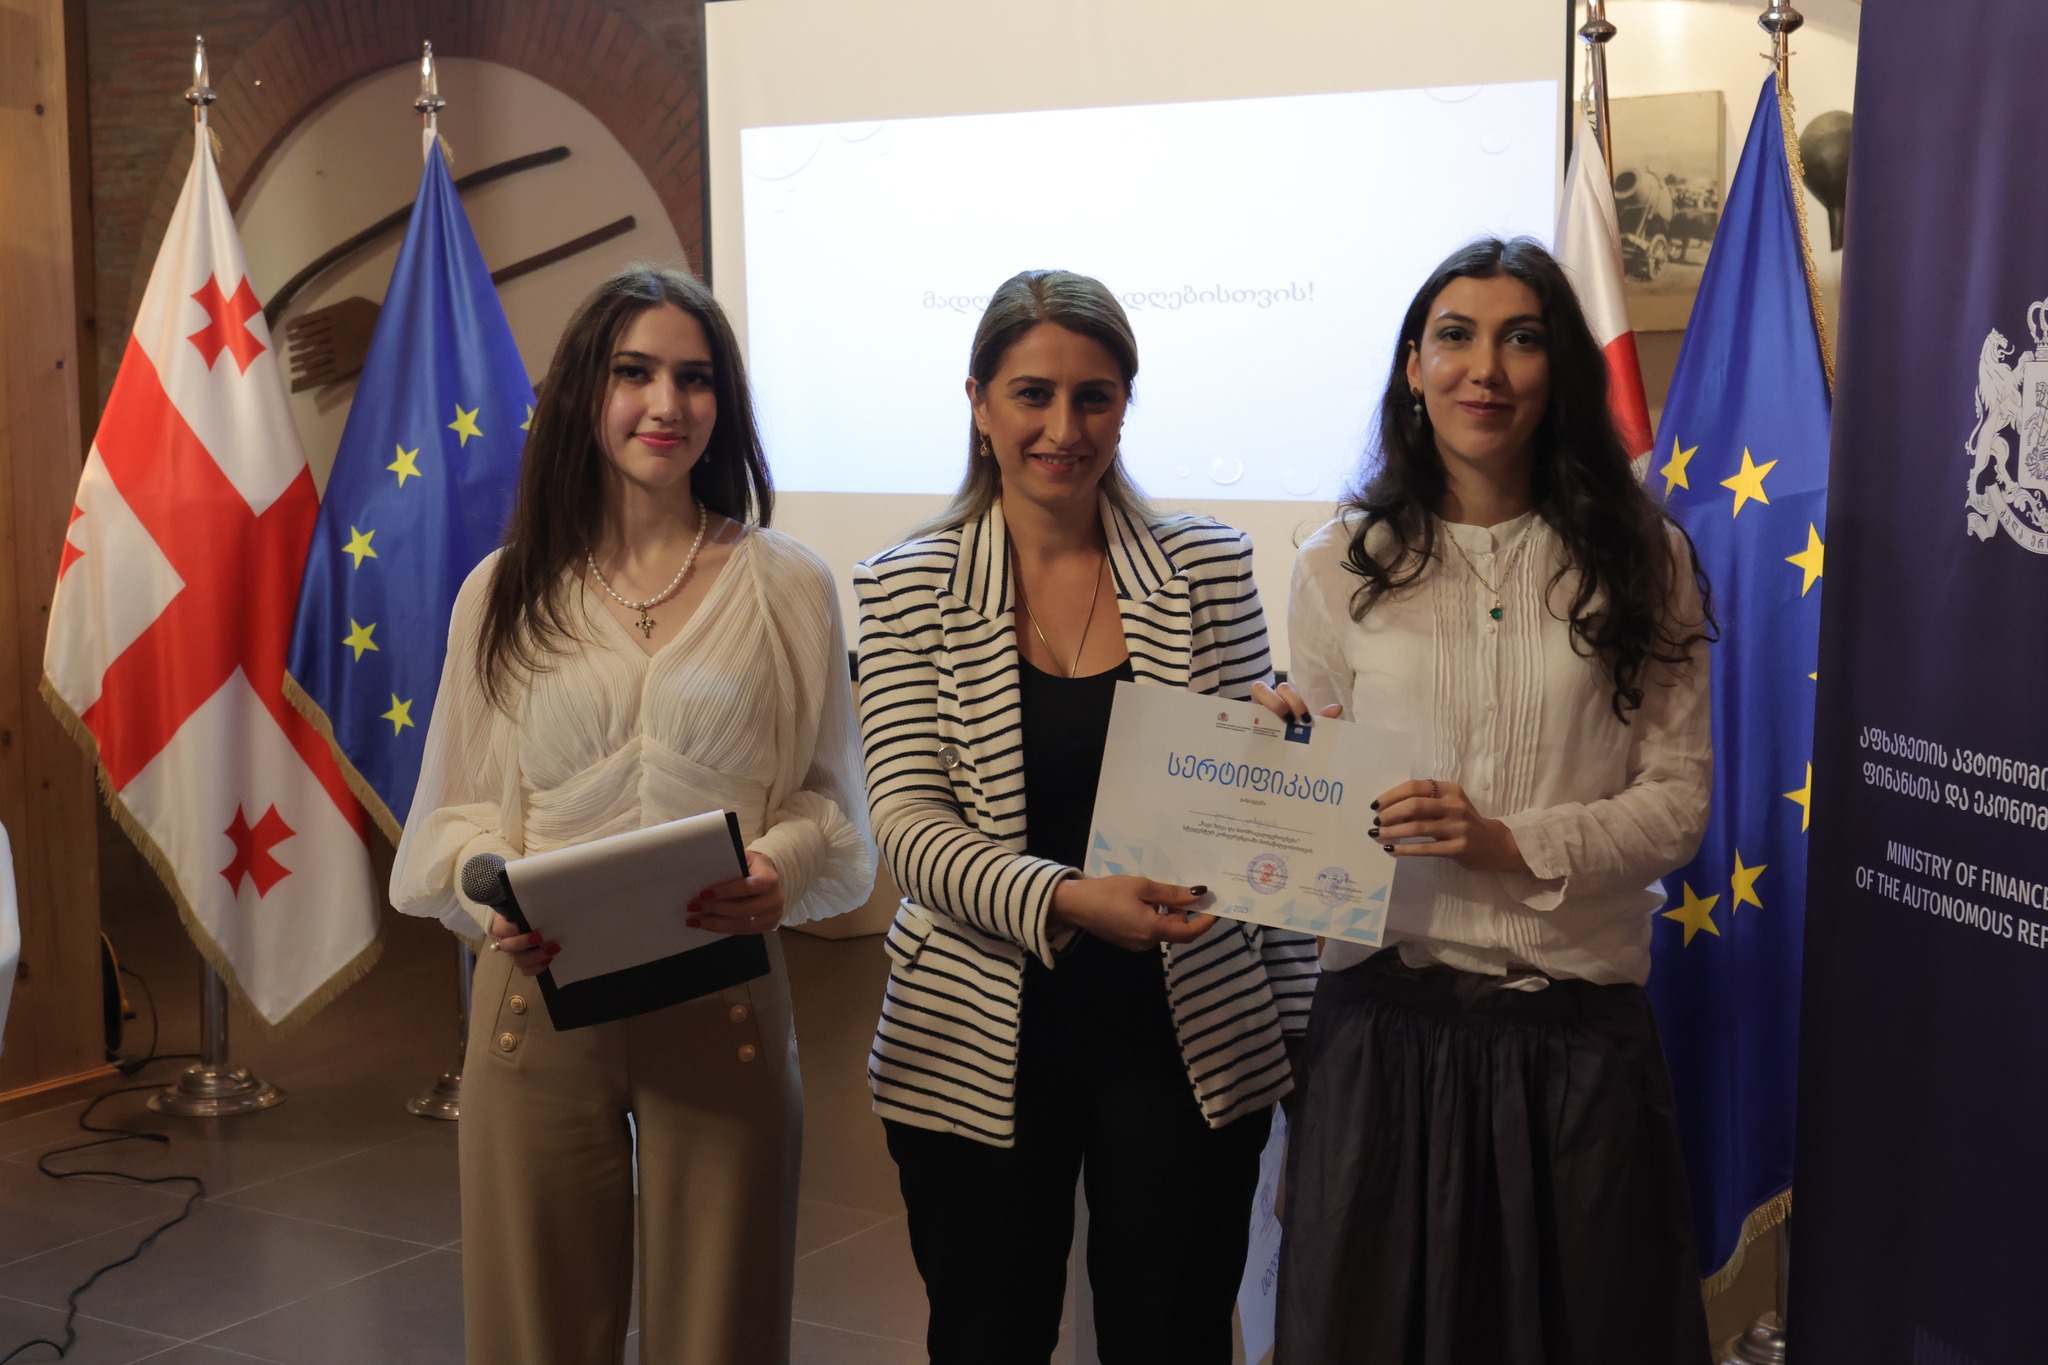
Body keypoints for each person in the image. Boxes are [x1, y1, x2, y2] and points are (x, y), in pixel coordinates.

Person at [390, 264, 874, 1365]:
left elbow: (829, 803)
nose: (667, 404)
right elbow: (458, 816)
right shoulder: (501, 589)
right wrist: (492, 889)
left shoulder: (789, 584)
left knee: (722, 1334)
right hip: (536, 1002)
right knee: (532, 1336)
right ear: (585, 392)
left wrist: (782, 866)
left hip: (723, 992)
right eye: (634, 372)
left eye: (694, 378)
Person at [1260, 237, 1717, 1364]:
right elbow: (1323, 804)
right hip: (1382, 1036)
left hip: (1574, 1044)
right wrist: (1281, 766)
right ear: (1413, 368)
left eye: (1521, 339)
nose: (1486, 369)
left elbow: (1677, 802)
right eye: (1454, 337)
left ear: (1559, 369)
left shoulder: (1643, 555)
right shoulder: (1335, 563)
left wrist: (1510, 841)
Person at [855, 269, 1318, 1365]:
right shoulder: (904, 584)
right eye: (1032, 394)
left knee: (1173, 1337)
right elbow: (909, 827)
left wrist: (1281, 753)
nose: (1063, 429)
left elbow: (1255, 822)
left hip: (1184, 1029)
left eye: (1094, 397)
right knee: (988, 1337)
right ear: (978, 402)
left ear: (1124, 406)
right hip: (975, 1029)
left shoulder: (1205, 565)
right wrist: (1067, 899)